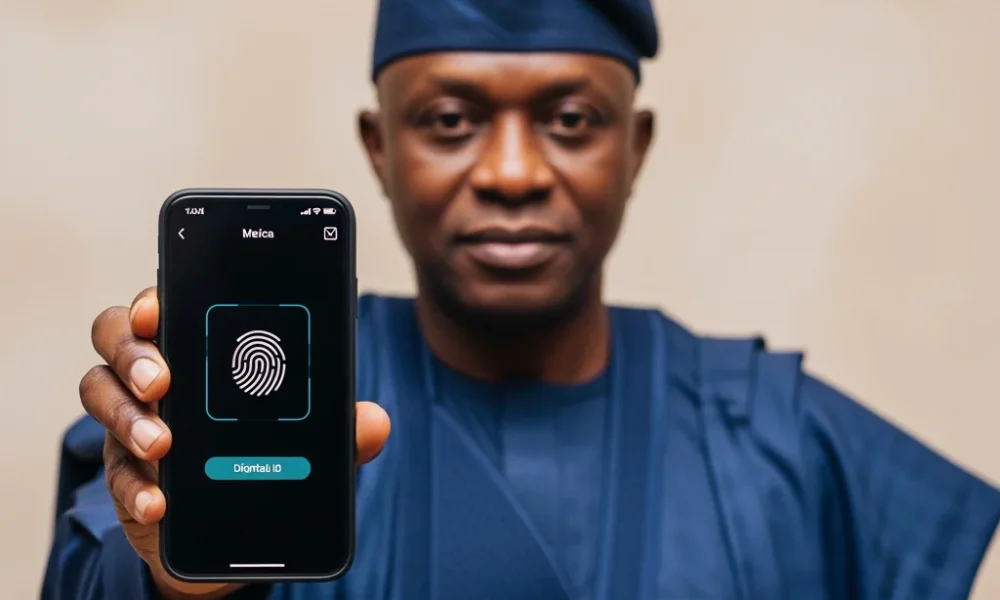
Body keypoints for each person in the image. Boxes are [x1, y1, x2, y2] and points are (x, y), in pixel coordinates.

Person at [41, 0, 1000, 598]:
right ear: (380, 149)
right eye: (450, 121)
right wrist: (169, 585)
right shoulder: (254, 414)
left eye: (572, 120)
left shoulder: (780, 438)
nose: (510, 171)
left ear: (638, 146)